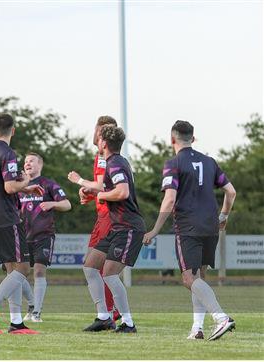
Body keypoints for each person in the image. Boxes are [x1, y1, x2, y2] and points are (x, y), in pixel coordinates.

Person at [143, 120, 236, 341]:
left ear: (172, 139)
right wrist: (223, 216)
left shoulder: (173, 163)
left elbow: (169, 199)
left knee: (188, 278)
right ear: (193, 139)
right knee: (198, 277)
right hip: (210, 225)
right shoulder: (210, 162)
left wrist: (155, 229)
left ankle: (221, 318)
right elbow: (230, 192)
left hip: (188, 227)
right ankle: (197, 329)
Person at [0, 113, 44, 334]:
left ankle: (16, 322)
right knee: (23, 268)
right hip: (7, 216)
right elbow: (8, 187)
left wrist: (24, 188)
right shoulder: (8, 153)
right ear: (13, 131)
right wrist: (26, 181)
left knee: (11, 270)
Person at [80, 125, 145, 333]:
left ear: (104, 143)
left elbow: (122, 192)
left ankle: (128, 323)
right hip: (118, 226)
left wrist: (99, 195)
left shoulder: (115, 163)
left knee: (109, 273)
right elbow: (114, 191)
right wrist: (94, 193)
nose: (96, 142)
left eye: (98, 139)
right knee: (90, 266)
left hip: (128, 227)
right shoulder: (117, 161)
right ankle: (104, 317)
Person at [67, 116, 119, 325]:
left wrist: (79, 181)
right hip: (104, 214)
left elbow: (101, 186)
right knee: (95, 267)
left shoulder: (103, 157)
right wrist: (89, 193)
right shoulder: (106, 156)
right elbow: (104, 187)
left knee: (97, 267)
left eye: (97, 130)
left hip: (109, 216)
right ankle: (108, 312)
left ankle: (109, 312)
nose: (95, 134)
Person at [19, 152, 71, 323]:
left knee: (39, 271)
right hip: (22, 236)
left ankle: (37, 313)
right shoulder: (19, 186)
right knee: (19, 274)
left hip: (43, 235)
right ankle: (32, 304)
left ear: (40, 165)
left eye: (31, 161)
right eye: (26, 161)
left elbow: (67, 204)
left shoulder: (48, 184)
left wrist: (52, 203)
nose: (27, 163)